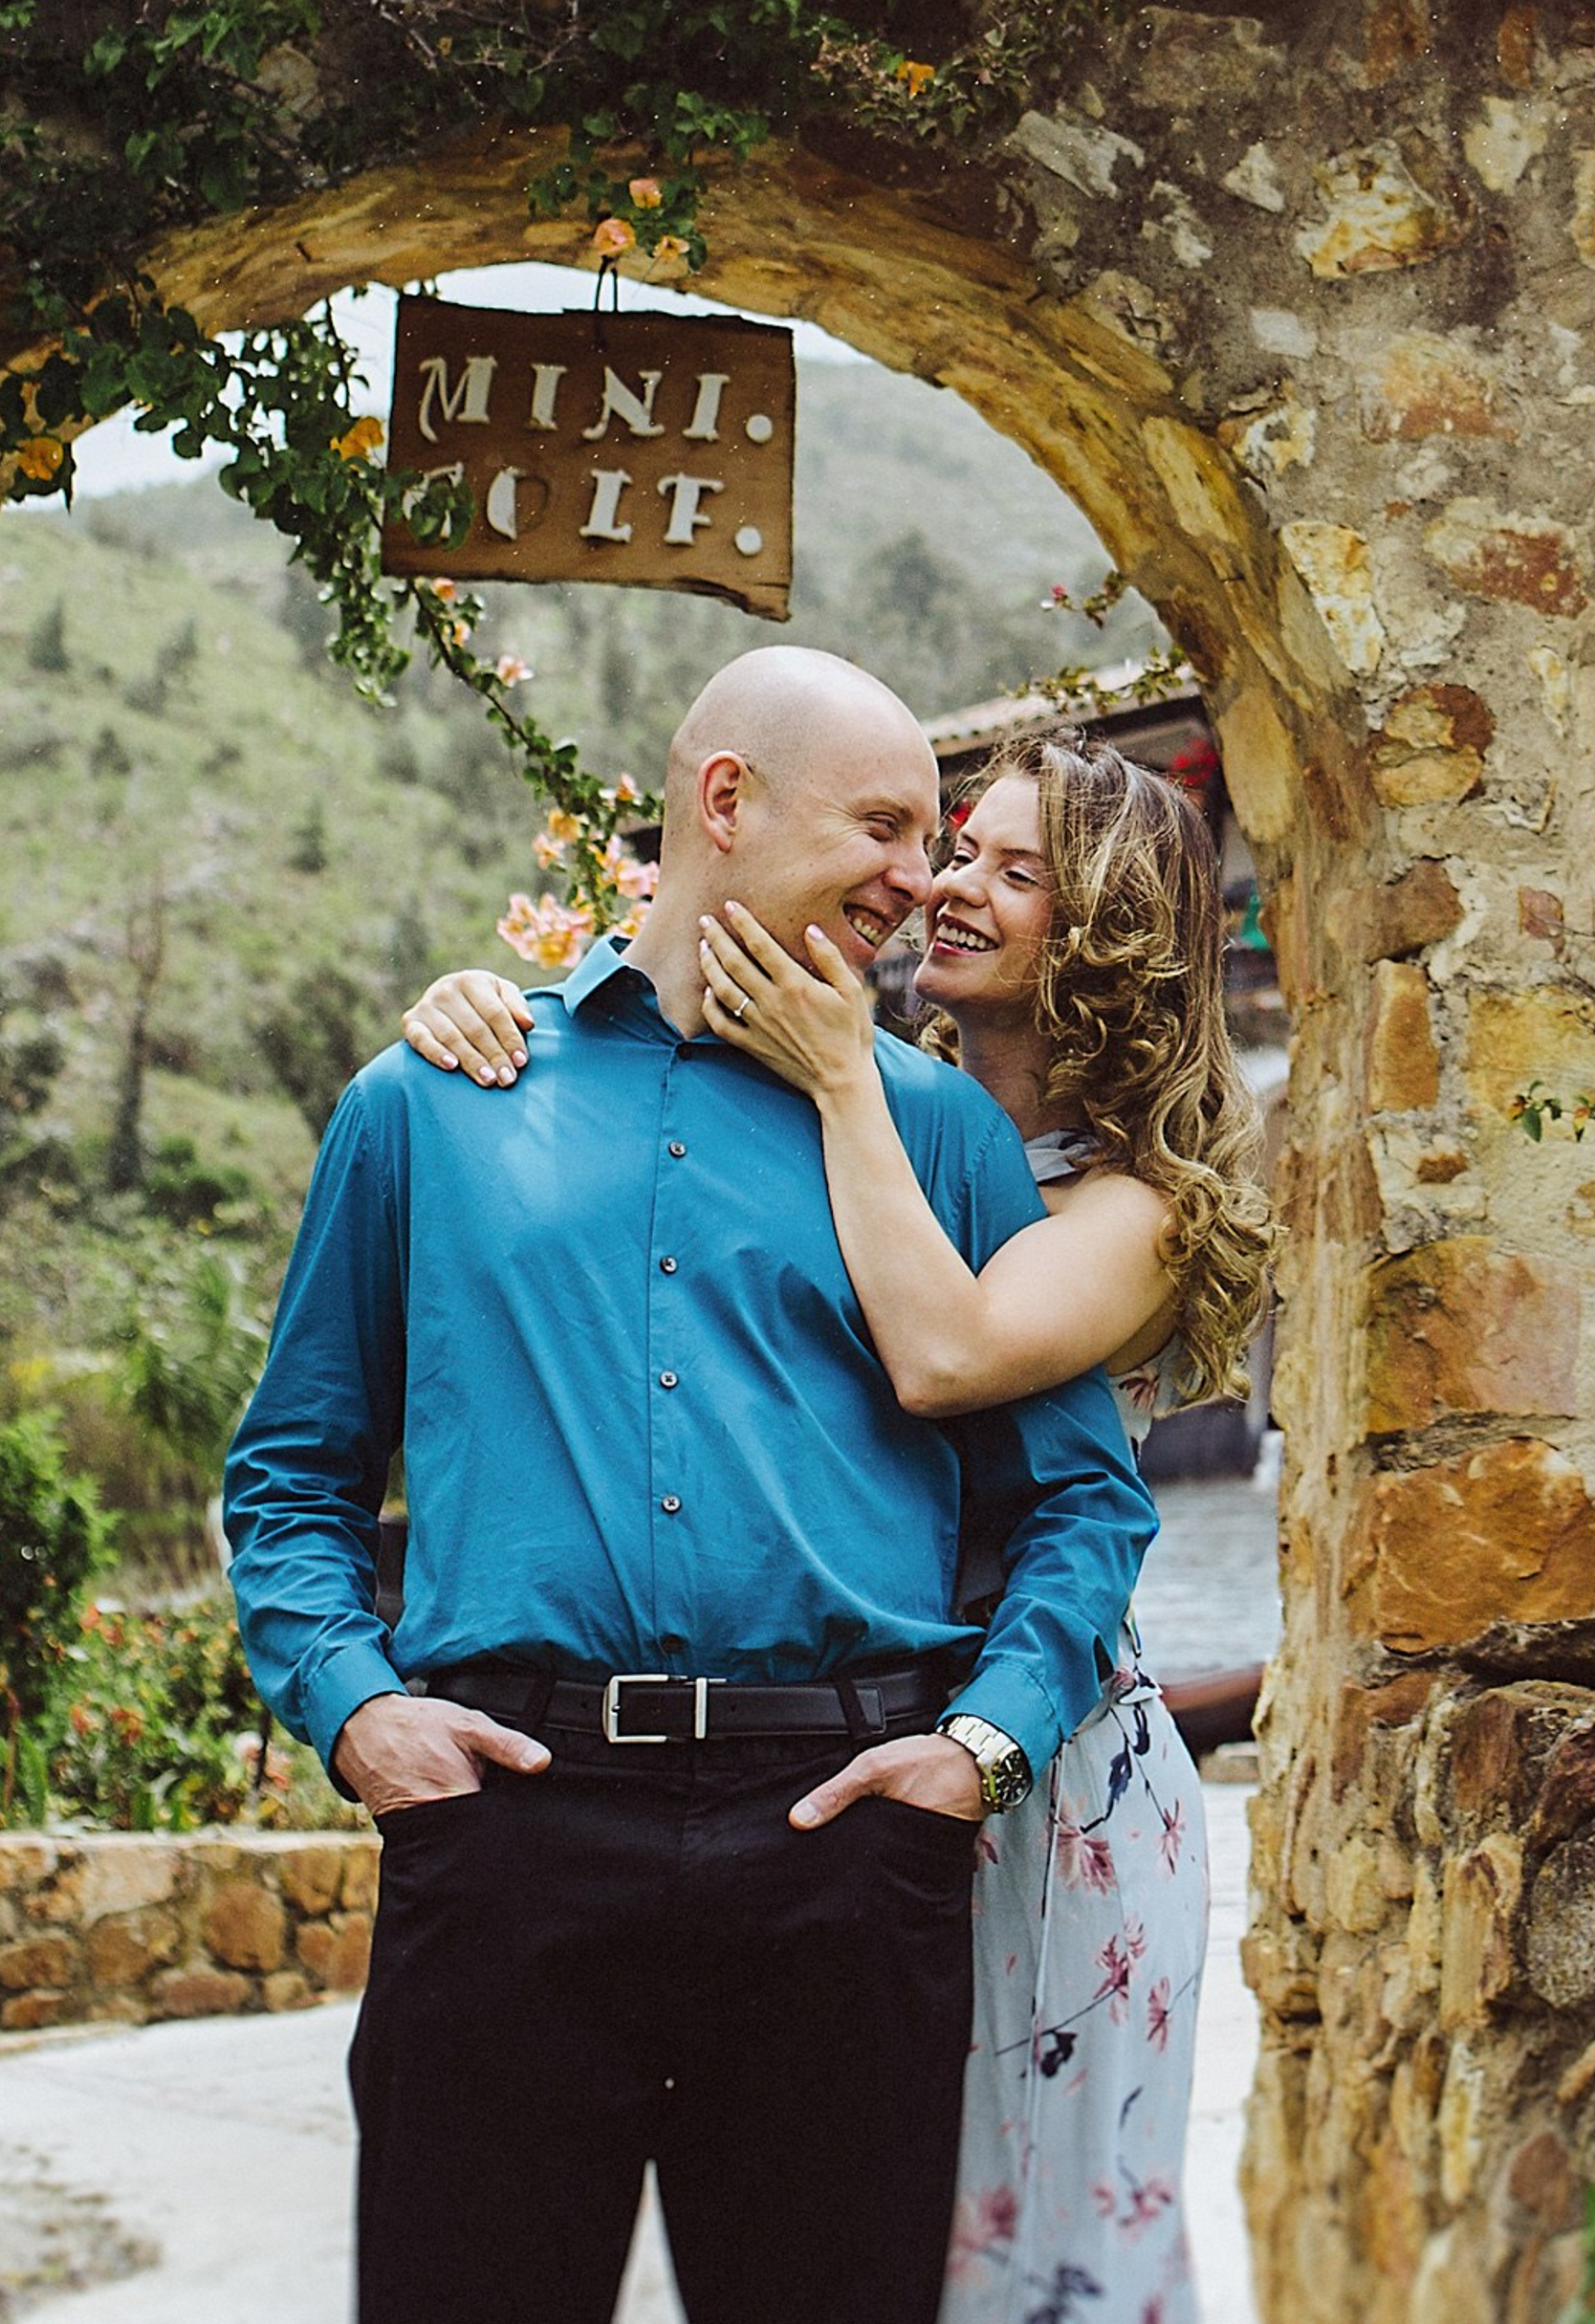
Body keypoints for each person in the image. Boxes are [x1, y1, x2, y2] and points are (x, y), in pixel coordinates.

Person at [225, 652, 1159, 2324]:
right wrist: (357, 1711)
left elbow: (1081, 1505)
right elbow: (295, 1474)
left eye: (938, 839)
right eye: (885, 827)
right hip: (506, 1833)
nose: (918, 879)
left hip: (844, 1848)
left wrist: (980, 1749)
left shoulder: (940, 1136)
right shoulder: (427, 1103)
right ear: (726, 801)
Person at [404, 724, 1274, 2323]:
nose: (945, 887)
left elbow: (947, 1360)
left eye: (1015, 871)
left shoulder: (1124, 1200)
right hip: (846, 1760)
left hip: (1038, 1759)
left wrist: (845, 1077)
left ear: (1107, 936)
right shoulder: (867, 1097)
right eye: (956, 850)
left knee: (1022, 2248)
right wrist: (497, 1013)